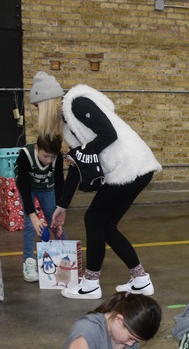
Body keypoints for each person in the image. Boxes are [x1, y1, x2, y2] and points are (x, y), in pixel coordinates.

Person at [30, 71, 162, 299]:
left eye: (38, 107)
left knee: (94, 219)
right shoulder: (66, 122)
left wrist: (79, 152)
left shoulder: (77, 103)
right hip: (130, 170)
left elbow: (108, 134)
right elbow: (77, 166)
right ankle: (141, 280)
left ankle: (90, 283)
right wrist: (62, 206)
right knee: (106, 225)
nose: (38, 113)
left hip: (131, 167)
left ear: (47, 102)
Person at [15, 133, 67, 282]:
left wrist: (60, 208)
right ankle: (28, 262)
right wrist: (32, 215)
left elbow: (59, 183)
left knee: (55, 219)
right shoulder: (26, 154)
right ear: (37, 148)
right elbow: (23, 185)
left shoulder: (56, 157)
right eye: (46, 156)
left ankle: (66, 257)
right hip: (28, 188)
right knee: (31, 225)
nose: (49, 161)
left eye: (52, 157)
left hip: (47, 188)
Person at [64, 291, 162, 349]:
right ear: (119, 320)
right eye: (131, 338)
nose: (131, 344)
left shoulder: (130, 335)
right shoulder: (88, 331)